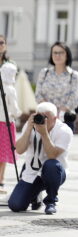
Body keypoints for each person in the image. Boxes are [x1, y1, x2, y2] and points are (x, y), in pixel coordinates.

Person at [8, 102, 73, 214]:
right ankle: (36, 196)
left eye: (46, 117)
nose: (42, 120)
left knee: (51, 164)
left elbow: (52, 155)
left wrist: (44, 133)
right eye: (39, 116)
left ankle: (51, 201)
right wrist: (28, 128)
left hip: (55, 173)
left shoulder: (64, 130)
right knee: (15, 205)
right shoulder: (31, 125)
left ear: (55, 118)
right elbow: (19, 150)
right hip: (33, 172)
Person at [35, 41, 78, 132]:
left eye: (61, 52)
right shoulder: (44, 73)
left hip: (65, 120)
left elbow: (75, 98)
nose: (57, 55)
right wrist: (49, 111)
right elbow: (38, 95)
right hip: (45, 119)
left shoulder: (74, 75)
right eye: (55, 52)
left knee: (61, 146)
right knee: (43, 146)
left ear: (67, 55)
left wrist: (59, 113)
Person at [0, 34, 21, 194]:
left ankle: (1, 181)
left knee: (3, 152)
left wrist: (15, 113)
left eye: (1, 43)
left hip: (5, 118)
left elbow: (13, 101)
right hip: (5, 117)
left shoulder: (10, 64)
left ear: (5, 45)